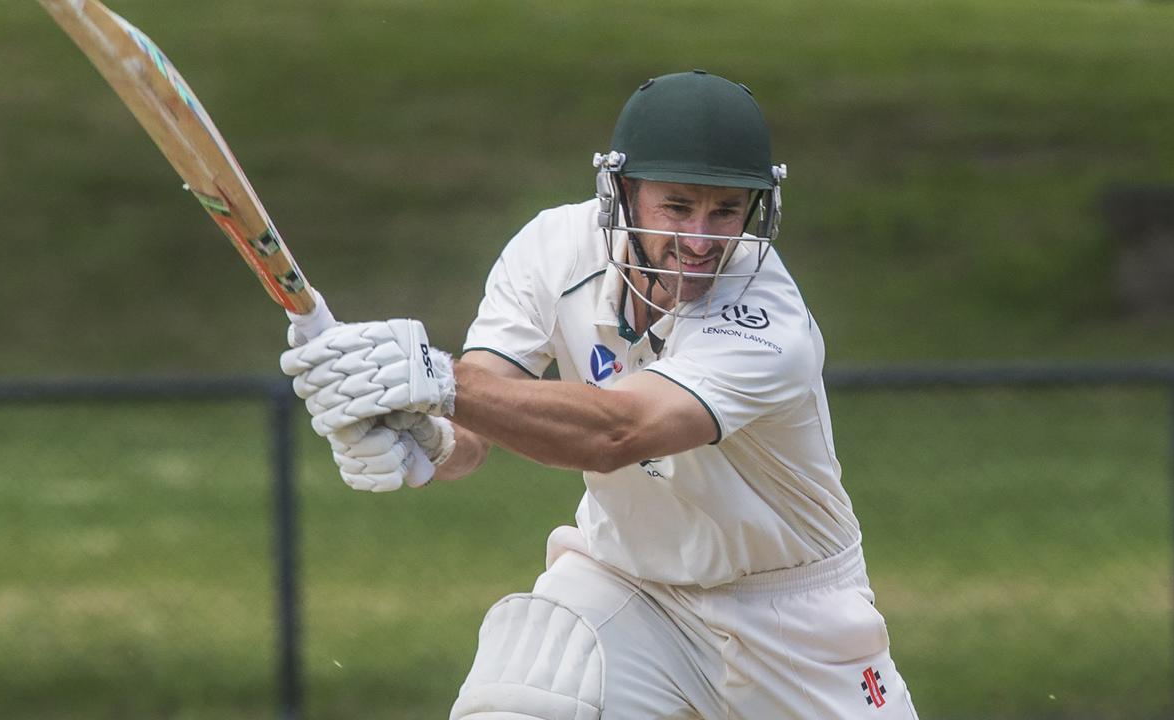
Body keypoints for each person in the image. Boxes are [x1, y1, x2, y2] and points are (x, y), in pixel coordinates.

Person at [280, 70, 919, 719]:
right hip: (627, 584)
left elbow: (619, 432)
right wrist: (429, 437)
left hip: (791, 615)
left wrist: (433, 381)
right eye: (677, 207)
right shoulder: (552, 250)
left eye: (725, 211)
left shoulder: (769, 321)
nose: (701, 241)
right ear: (621, 192)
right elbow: (479, 422)